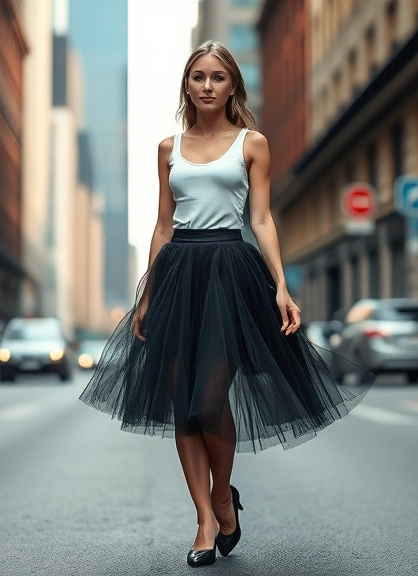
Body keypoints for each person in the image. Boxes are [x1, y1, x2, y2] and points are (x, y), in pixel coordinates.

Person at [79, 40, 374, 568]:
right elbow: (164, 224)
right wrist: (146, 294)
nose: (208, 86)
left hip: (231, 272)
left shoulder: (252, 144)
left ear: (233, 85)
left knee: (209, 397)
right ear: (187, 86)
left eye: (218, 77)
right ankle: (204, 521)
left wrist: (281, 286)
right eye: (198, 77)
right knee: (180, 402)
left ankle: (223, 496)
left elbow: (261, 219)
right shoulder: (169, 147)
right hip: (176, 273)